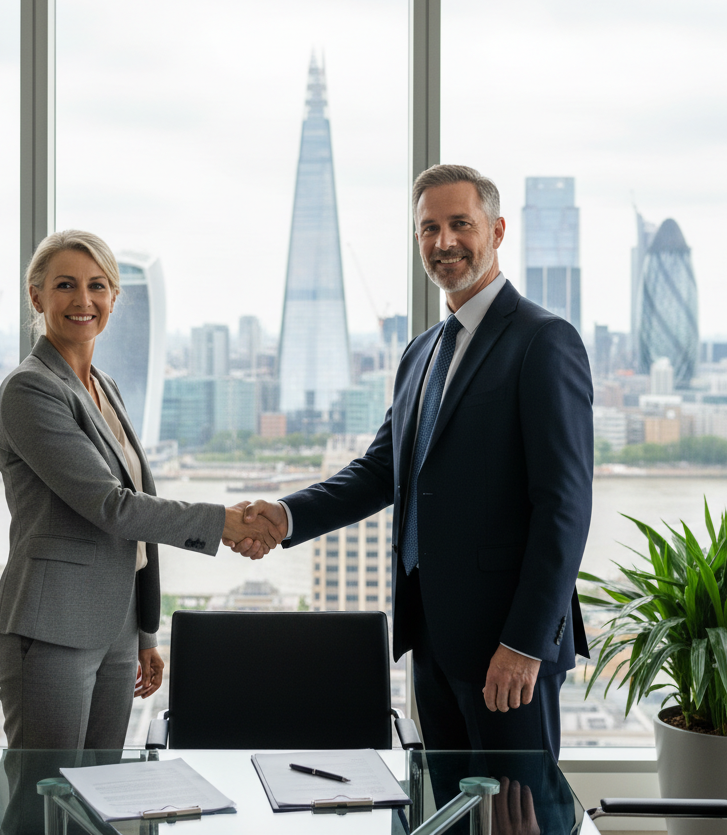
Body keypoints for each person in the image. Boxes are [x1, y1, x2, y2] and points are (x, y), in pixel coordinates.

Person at [233, 165, 592, 757]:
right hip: (430, 640)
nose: (444, 242)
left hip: (507, 649)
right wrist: (284, 515)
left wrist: (526, 644)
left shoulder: (543, 341)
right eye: (429, 228)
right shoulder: (421, 352)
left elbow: (565, 508)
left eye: (460, 225)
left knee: (517, 816)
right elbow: (380, 472)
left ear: (497, 231)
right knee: (445, 807)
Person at [0, 229, 279, 750]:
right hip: (51, 626)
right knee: (43, 800)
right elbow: (112, 506)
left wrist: (144, 632)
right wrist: (224, 522)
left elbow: (135, 527)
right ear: (37, 297)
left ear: (114, 298)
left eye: (97, 286)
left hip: (117, 628)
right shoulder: (30, 388)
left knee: (98, 793)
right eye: (65, 286)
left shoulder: (106, 387)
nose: (83, 300)